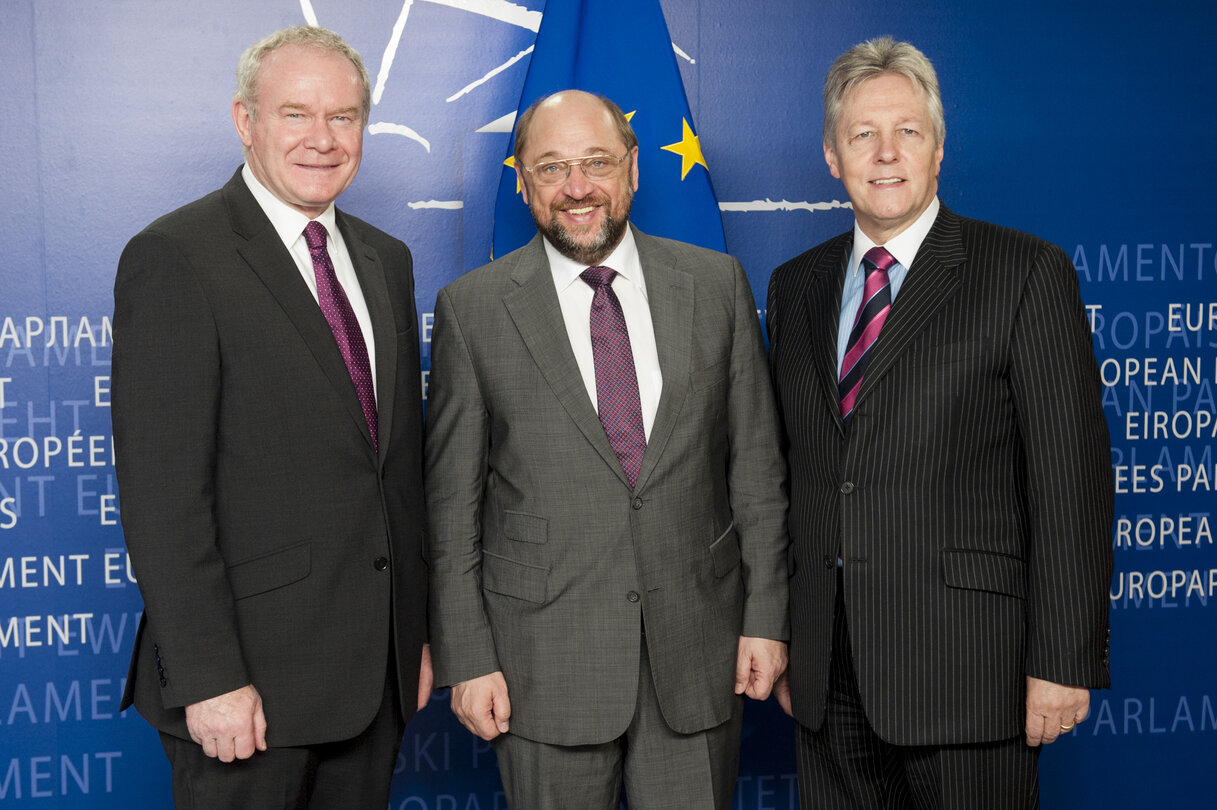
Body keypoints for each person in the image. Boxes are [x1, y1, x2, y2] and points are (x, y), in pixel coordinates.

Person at [766, 37, 1113, 809]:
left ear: (938, 149)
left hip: (969, 674)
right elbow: (790, 475)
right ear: (831, 155)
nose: (885, 153)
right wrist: (789, 639)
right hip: (829, 676)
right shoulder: (796, 286)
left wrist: (1061, 660)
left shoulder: (1023, 271)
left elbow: (1071, 481)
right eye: (862, 135)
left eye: (907, 132)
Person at [425, 90, 789, 809]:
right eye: (552, 167)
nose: (577, 187)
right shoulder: (473, 309)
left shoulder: (715, 287)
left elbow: (755, 471)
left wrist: (766, 618)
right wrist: (466, 658)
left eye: (595, 162)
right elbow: (451, 508)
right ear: (523, 182)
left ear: (630, 169)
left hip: (696, 652)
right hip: (539, 669)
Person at [111, 25, 430, 807]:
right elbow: (162, 497)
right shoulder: (177, 256)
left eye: (344, 117)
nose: (322, 139)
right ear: (244, 121)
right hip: (248, 693)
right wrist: (209, 678)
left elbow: (392, 471)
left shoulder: (385, 259)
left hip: (373, 680)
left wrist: (413, 636)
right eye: (296, 114)